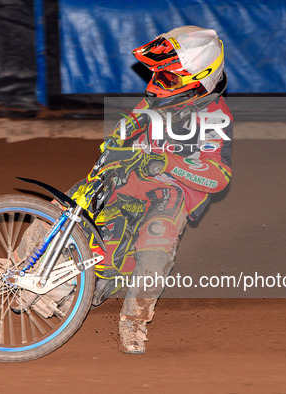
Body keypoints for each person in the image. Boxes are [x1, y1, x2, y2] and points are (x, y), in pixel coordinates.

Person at [71, 26, 233, 354]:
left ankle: (134, 320)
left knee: (156, 240)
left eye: (168, 79)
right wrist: (111, 155)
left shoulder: (215, 116)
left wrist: (169, 163)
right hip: (130, 184)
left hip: (169, 194)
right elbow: (119, 138)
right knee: (70, 201)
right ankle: (23, 264)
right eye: (158, 75)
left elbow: (219, 177)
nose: (157, 85)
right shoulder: (149, 104)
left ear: (197, 81)